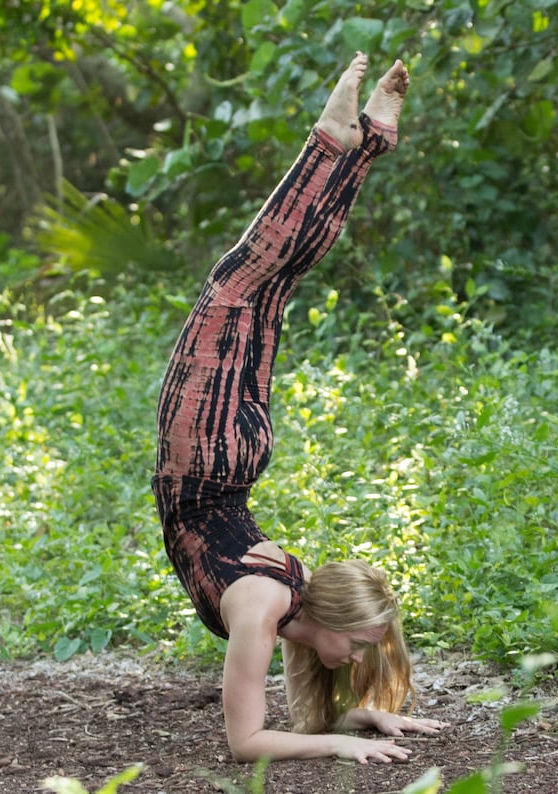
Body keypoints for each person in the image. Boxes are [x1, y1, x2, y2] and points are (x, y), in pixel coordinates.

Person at [152, 52, 448, 764]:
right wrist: (340, 749)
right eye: (359, 646)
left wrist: (358, 722)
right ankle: (343, 142)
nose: (352, 661)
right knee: (247, 279)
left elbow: (254, 734)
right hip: (209, 457)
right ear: (330, 618)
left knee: (261, 281)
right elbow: (244, 742)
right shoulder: (268, 604)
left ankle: (358, 142)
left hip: (221, 455)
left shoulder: (279, 597)